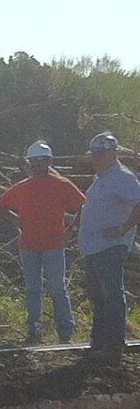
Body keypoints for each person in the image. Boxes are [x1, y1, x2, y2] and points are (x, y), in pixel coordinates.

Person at [0, 141, 83, 344]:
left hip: (53, 246)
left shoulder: (62, 185)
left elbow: (83, 205)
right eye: (32, 161)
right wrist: (15, 220)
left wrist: (71, 230)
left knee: (57, 288)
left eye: (40, 161)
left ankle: (66, 330)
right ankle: (34, 327)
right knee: (33, 288)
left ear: (49, 162)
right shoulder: (23, 187)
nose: (36, 165)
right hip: (29, 246)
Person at [79, 131, 140, 359]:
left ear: (112, 153)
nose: (95, 159)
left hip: (110, 247)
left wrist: (123, 229)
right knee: (98, 295)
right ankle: (99, 341)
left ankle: (113, 346)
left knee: (112, 295)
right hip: (94, 246)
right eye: (94, 154)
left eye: (99, 154)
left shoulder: (122, 177)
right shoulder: (101, 178)